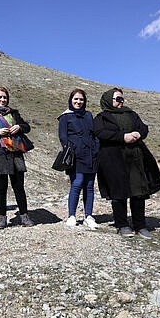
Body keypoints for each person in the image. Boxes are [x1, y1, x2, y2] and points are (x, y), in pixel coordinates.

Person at [94, 87, 160, 239]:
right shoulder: (102, 117)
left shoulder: (131, 114)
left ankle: (140, 225)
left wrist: (138, 133)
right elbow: (100, 133)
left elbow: (143, 128)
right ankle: (122, 225)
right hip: (114, 159)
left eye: (122, 99)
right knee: (119, 192)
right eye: (118, 99)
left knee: (138, 191)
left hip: (135, 158)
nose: (121, 102)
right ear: (109, 100)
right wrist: (122, 137)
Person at [0, 87, 34, 229]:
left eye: (4, 97)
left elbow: (27, 127)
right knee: (1, 188)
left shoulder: (14, 114)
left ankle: (24, 215)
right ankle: (2, 218)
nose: (2, 100)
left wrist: (19, 127)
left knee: (19, 186)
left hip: (15, 154)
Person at [57, 89, 100, 229]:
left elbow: (94, 133)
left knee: (89, 186)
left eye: (81, 99)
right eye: (75, 99)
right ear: (71, 100)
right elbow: (63, 137)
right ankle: (72, 215)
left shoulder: (88, 115)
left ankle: (88, 216)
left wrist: (96, 147)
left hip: (91, 155)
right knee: (77, 183)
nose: (78, 102)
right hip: (76, 156)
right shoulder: (65, 116)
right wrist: (71, 149)